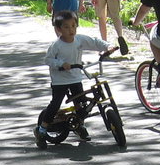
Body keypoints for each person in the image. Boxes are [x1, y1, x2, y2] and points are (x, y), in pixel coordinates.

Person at [34, 9, 118, 149]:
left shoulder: (79, 40)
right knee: (55, 104)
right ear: (59, 29)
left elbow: (94, 42)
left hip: (75, 77)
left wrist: (108, 46)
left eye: (73, 25)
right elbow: (48, 59)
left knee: (81, 103)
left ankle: (80, 126)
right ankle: (42, 129)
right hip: (60, 80)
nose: (71, 30)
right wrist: (61, 64)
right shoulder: (57, 45)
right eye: (66, 27)